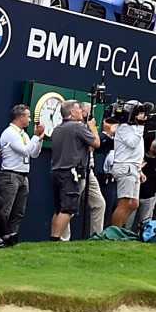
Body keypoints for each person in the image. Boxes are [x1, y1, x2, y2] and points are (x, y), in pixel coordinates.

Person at [46, 100, 102, 242]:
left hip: (57, 171)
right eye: (78, 110)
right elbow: (96, 143)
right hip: (72, 173)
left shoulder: (57, 129)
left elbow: (83, 147)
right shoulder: (78, 127)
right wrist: (93, 127)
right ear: (71, 112)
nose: (81, 113)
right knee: (68, 208)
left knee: (60, 208)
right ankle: (56, 239)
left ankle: (55, 238)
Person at [0, 101, 43, 239]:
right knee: (5, 210)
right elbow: (25, 151)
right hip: (10, 175)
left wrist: (39, 139)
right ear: (20, 117)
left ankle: (11, 237)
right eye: (28, 116)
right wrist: (36, 137)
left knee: (19, 211)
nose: (30, 119)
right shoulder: (10, 133)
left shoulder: (24, 135)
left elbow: (34, 154)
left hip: (23, 176)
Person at [104, 107, 147, 231]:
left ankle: (120, 229)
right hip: (125, 167)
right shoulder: (123, 128)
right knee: (124, 203)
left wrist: (139, 170)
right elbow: (132, 143)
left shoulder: (134, 128)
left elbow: (136, 150)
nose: (143, 117)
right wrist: (141, 126)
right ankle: (114, 233)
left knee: (134, 204)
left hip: (134, 167)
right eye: (140, 114)